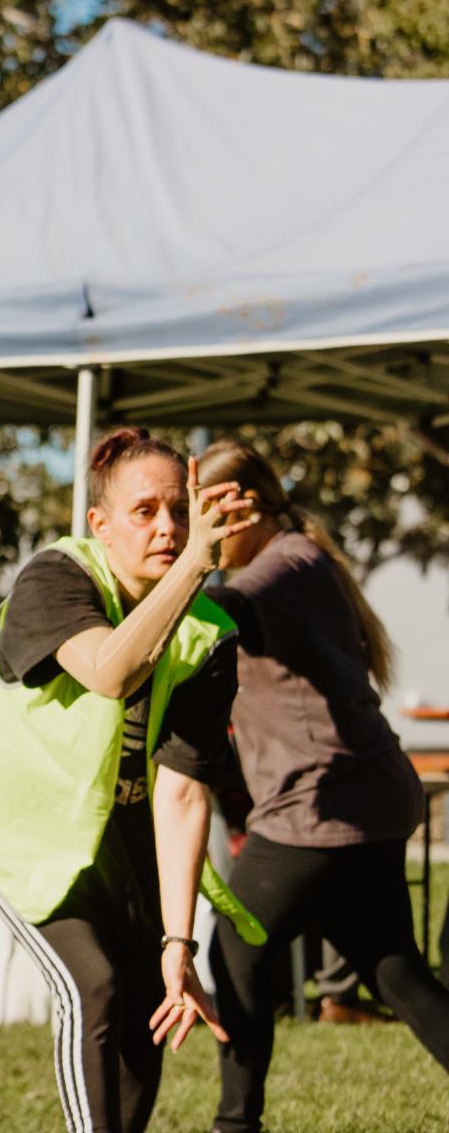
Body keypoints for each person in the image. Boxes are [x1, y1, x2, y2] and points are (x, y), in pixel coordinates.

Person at [0, 428, 260, 1133]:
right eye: (144, 511)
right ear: (100, 524)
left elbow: (181, 790)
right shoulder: (56, 577)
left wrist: (178, 945)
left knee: (148, 996)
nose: (168, 527)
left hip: (120, 836)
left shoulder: (210, 633)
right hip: (20, 829)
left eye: (179, 510)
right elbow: (112, 673)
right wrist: (194, 567)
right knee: (94, 983)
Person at [194, 439, 449, 1132]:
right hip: (360, 793)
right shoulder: (300, 558)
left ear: (236, 508)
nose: (190, 537)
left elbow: (224, 613)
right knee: (393, 970)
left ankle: (235, 1122)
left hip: (323, 802)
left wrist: (167, 587)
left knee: (235, 946)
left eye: (197, 518)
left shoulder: (286, 565)